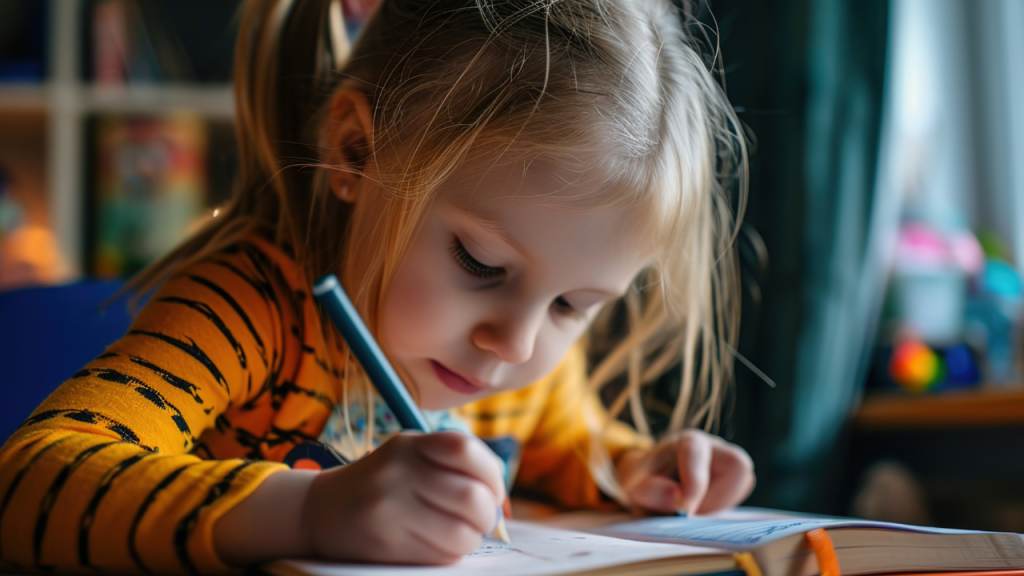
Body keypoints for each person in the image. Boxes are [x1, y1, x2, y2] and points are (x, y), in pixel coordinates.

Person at [0, 0, 755, 571]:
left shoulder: (515, 374)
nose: (514, 343)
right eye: (480, 263)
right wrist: (310, 513)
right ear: (358, 154)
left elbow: (573, 445)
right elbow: (31, 483)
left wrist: (635, 469)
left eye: (572, 306)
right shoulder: (252, 311)